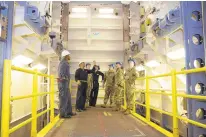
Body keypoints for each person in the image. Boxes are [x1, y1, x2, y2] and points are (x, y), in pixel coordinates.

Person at [58, 50, 75, 118]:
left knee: (68, 98)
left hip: (65, 83)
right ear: (66, 56)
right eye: (68, 55)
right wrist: (65, 78)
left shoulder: (65, 63)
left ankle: (69, 112)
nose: (69, 56)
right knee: (64, 98)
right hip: (63, 83)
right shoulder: (63, 63)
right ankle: (62, 114)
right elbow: (61, 73)